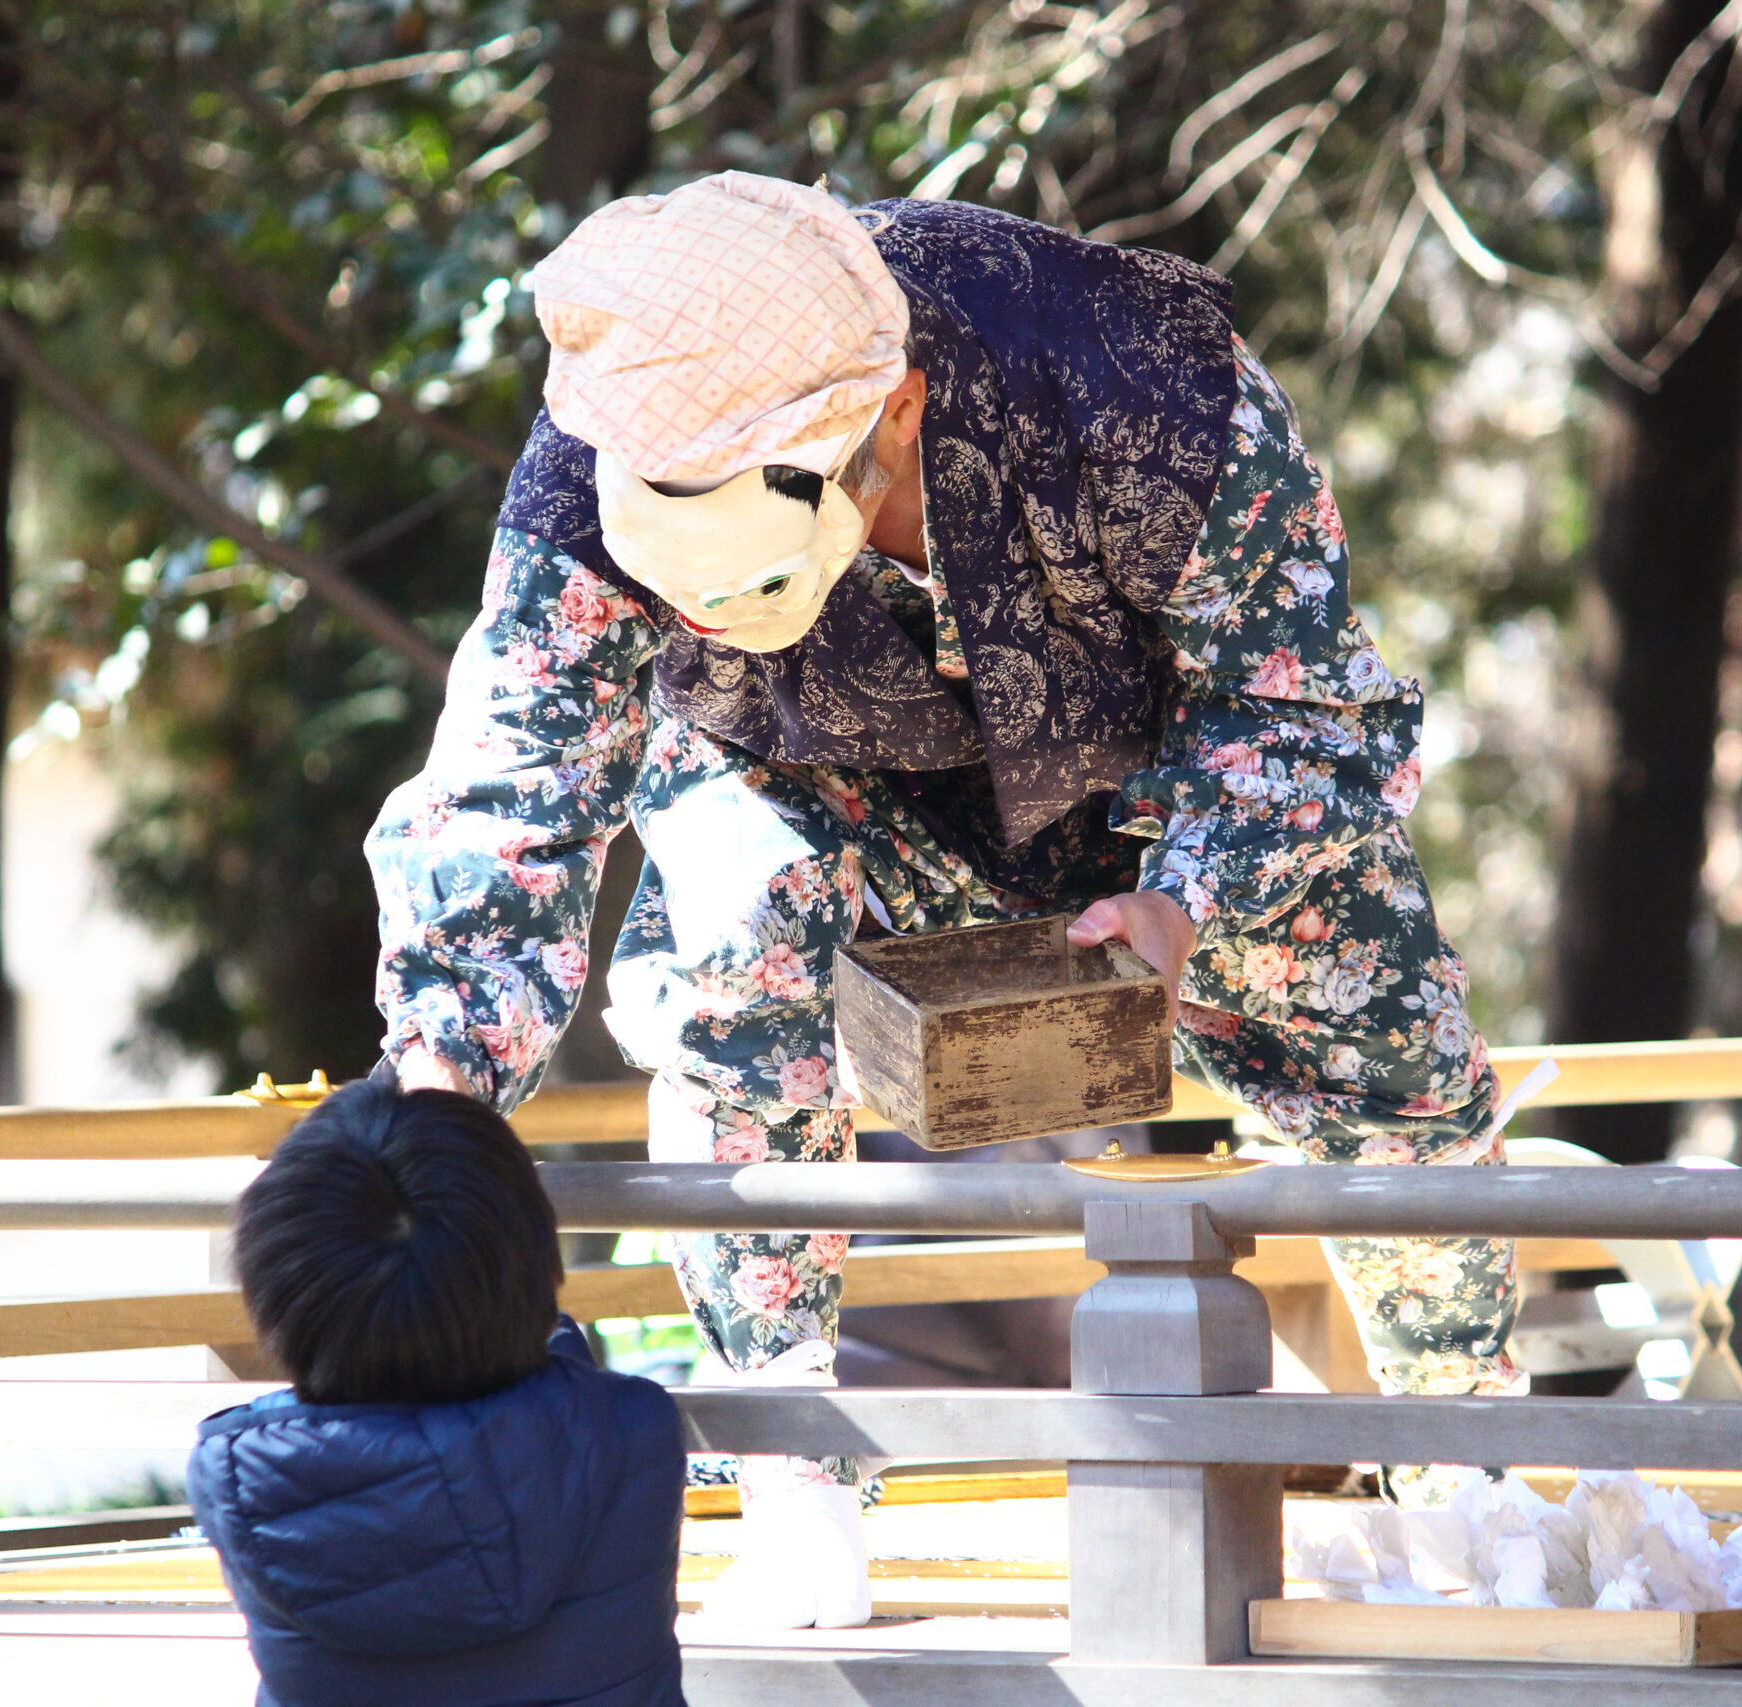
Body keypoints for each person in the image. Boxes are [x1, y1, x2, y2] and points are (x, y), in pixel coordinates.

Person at [367, 172, 1522, 1625]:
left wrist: (1188, 899)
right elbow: (511, 786)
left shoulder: (1151, 392)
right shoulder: (606, 433)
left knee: (1394, 1049)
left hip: (1154, 789)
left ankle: (1474, 1468)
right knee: (738, 925)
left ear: (895, 412)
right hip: (803, 769)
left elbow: (1309, 717)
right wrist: (440, 1076)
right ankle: (794, 1482)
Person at [187, 1079, 686, 1707]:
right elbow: (553, 1408)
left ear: (277, 1284)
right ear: (533, 1257)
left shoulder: (236, 1474)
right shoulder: (637, 1431)